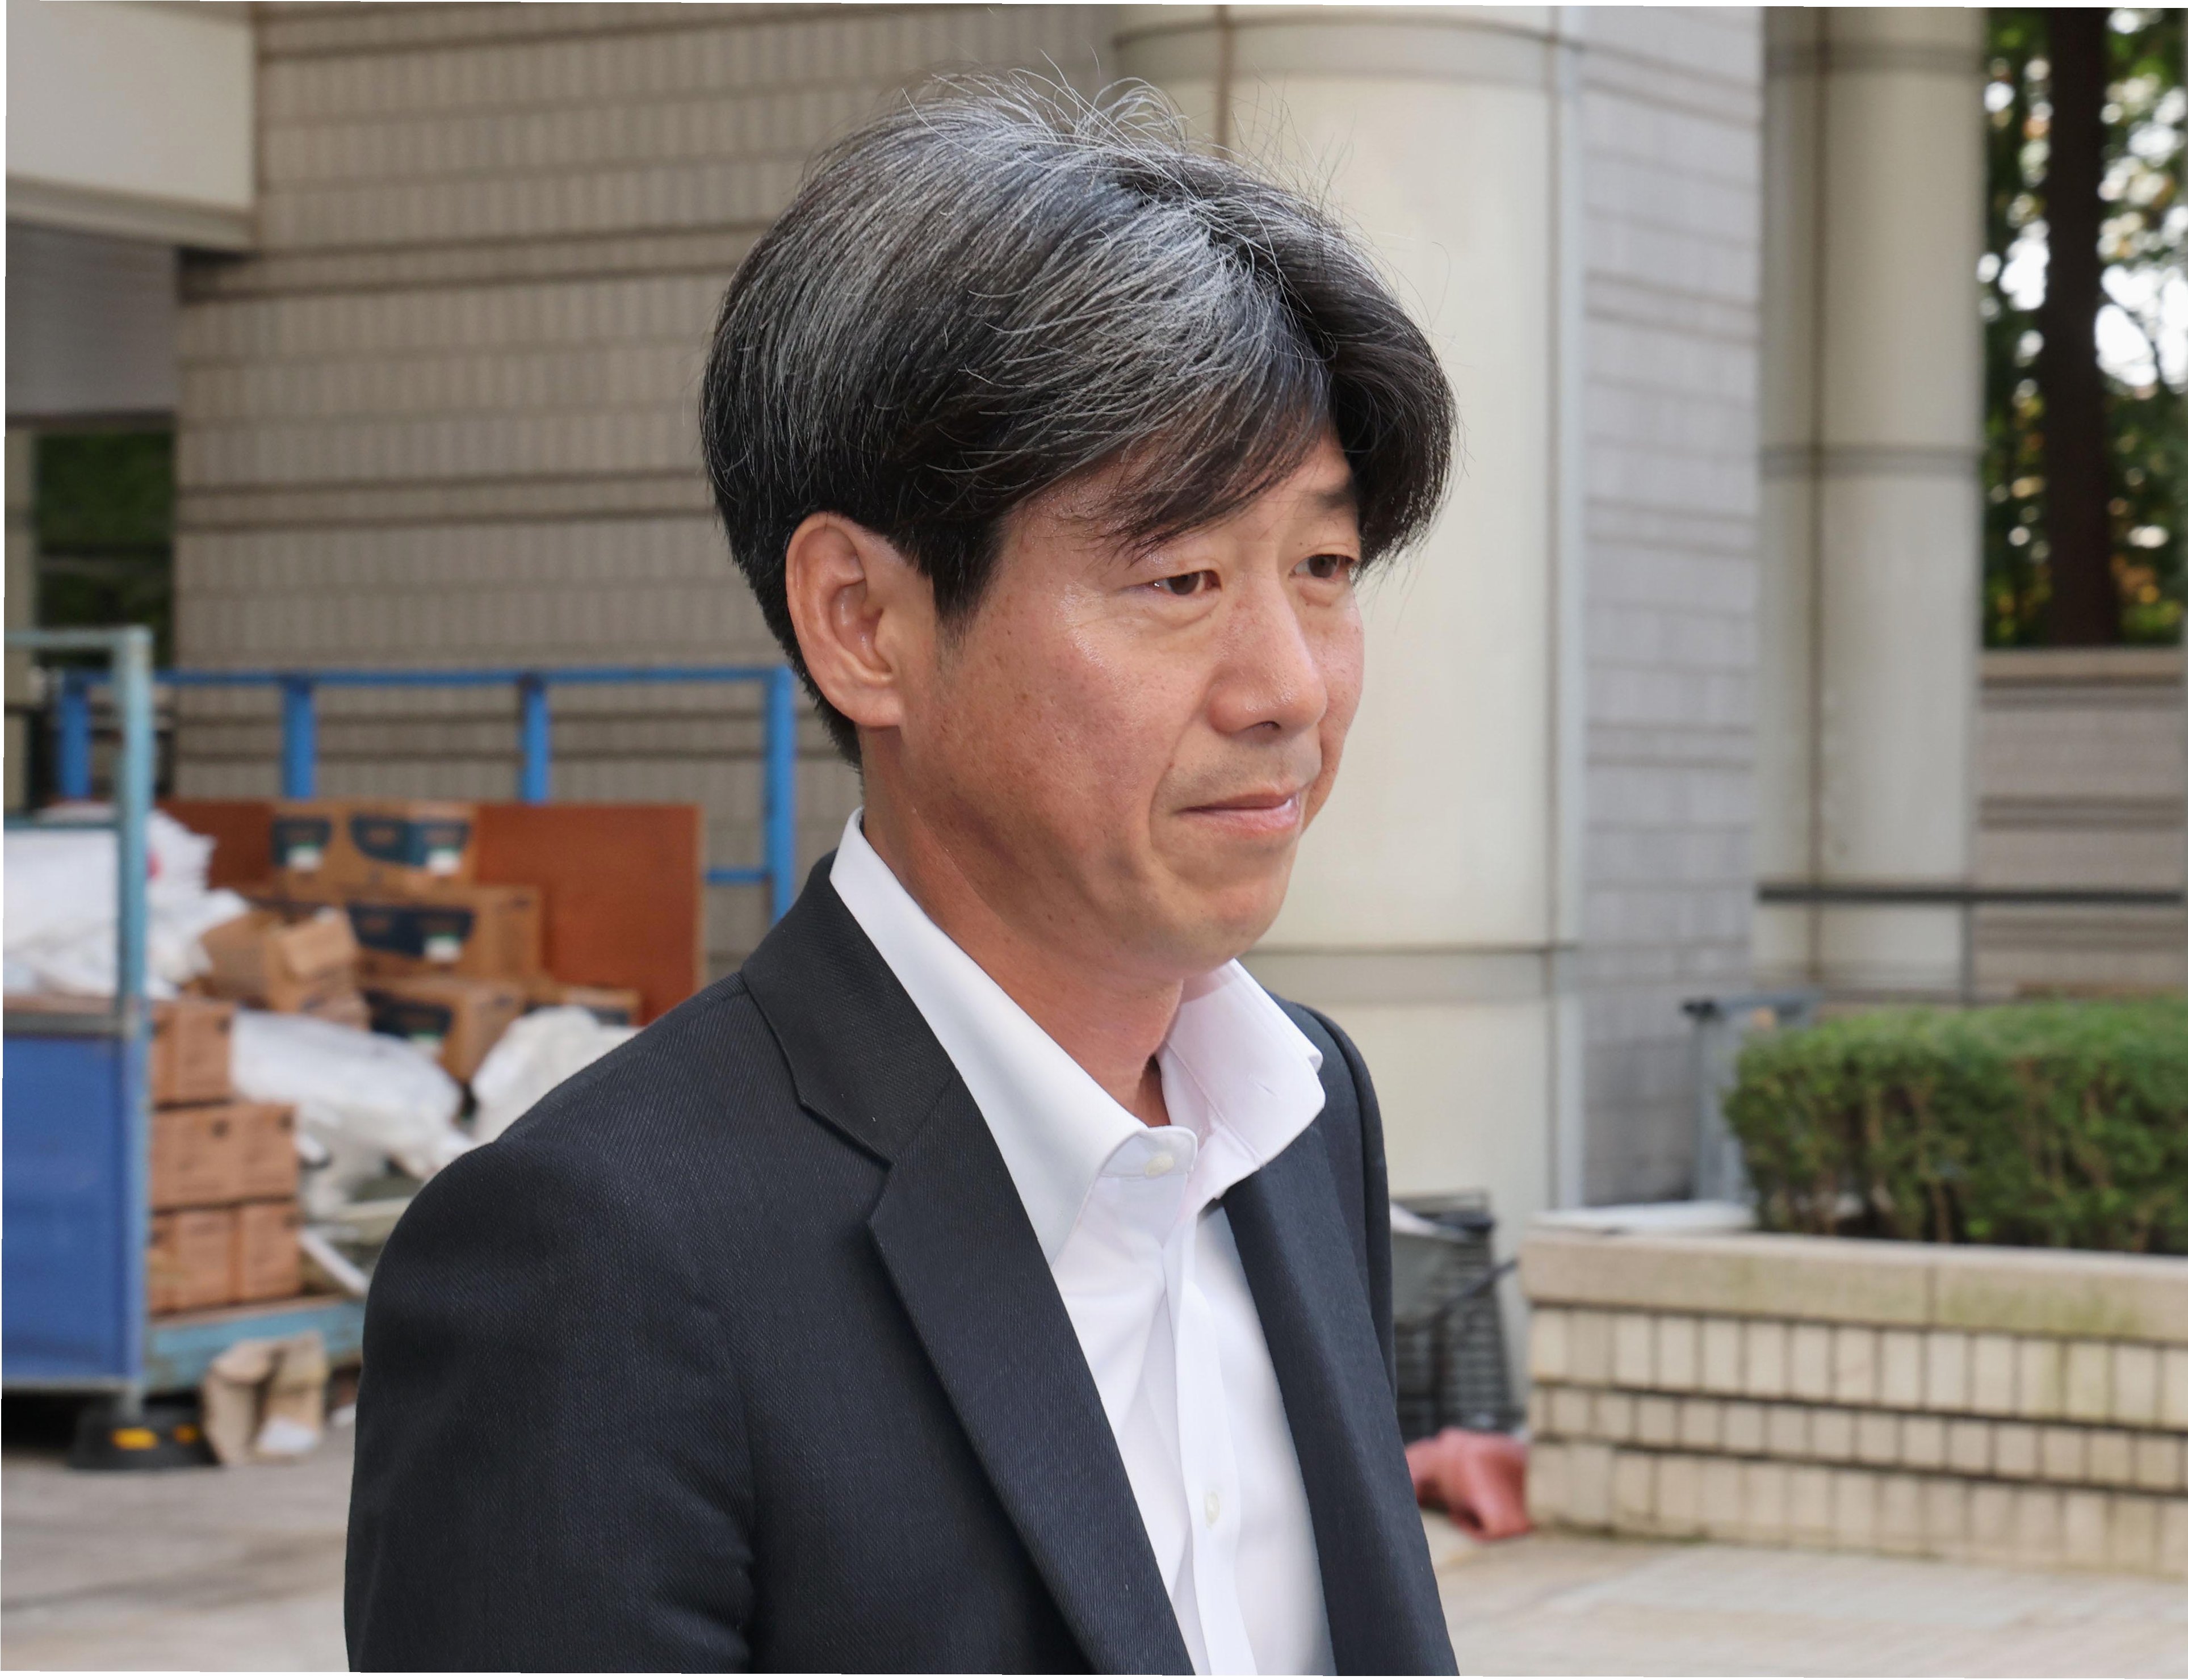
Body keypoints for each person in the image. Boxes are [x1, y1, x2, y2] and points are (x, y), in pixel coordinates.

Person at [344, 78, 1458, 1675]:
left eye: (1325, 566)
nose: (1288, 684)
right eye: (1180, 576)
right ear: (864, 623)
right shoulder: (593, 1258)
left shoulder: (1305, 1111)